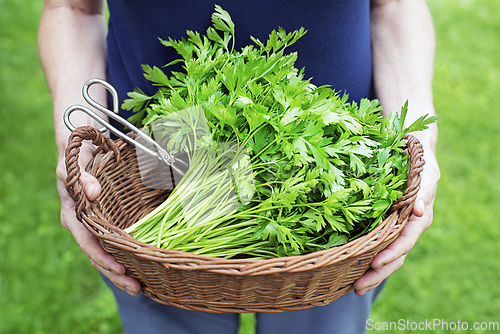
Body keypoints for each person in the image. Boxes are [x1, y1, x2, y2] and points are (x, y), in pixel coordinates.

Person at [38, 0, 439, 333]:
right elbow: (73, 7)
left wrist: (421, 139)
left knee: (320, 307)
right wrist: (74, 145)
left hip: (337, 157)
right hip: (166, 140)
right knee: (169, 293)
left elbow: (395, 5)